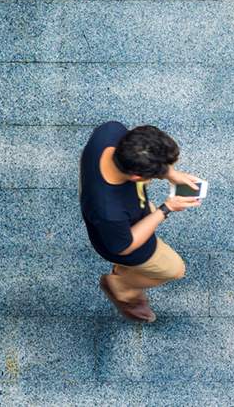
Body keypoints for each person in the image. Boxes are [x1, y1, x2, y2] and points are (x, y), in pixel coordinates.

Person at [78, 120, 202, 323]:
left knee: (148, 211)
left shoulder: (111, 131)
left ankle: (123, 275)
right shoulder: (108, 210)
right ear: (136, 176)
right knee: (175, 269)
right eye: (154, 175)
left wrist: (171, 174)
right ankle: (121, 286)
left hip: (125, 218)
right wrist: (166, 209)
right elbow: (124, 246)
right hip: (122, 243)